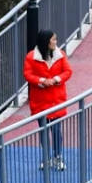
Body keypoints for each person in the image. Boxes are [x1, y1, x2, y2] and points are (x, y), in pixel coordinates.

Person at [24, 28, 72, 171]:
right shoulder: (32, 57)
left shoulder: (60, 55)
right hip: (40, 99)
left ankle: (58, 156)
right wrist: (42, 81)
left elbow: (68, 71)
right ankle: (46, 158)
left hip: (56, 98)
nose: (56, 42)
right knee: (43, 130)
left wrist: (56, 79)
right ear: (46, 41)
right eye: (53, 40)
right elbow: (28, 74)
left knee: (56, 130)